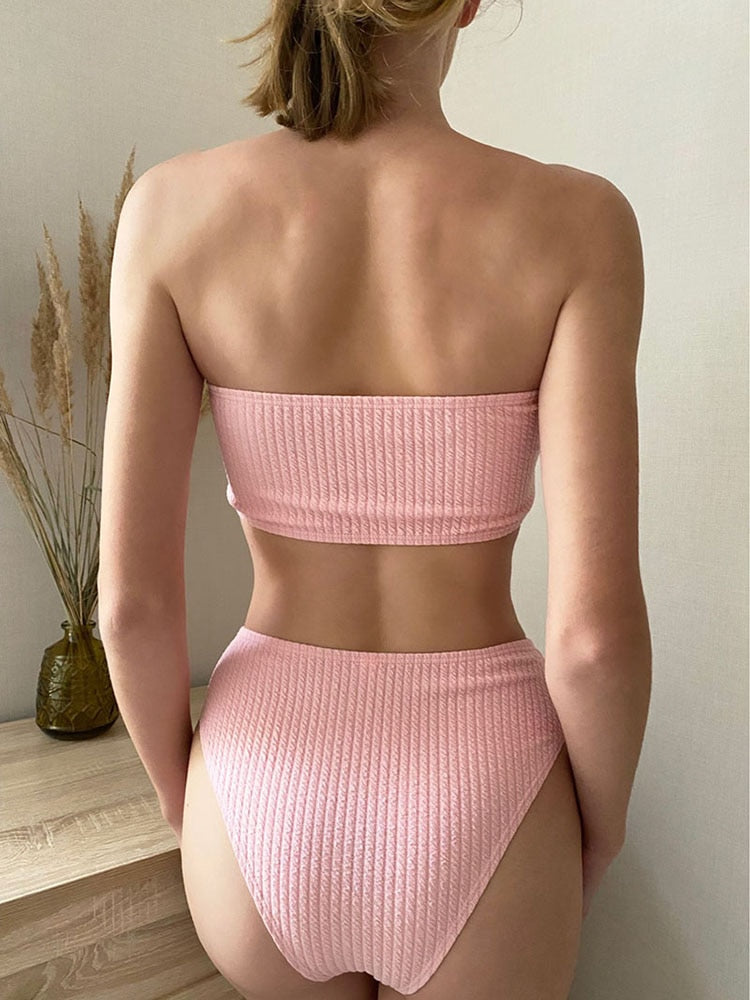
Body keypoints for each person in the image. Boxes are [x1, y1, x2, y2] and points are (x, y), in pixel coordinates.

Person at [97, 0, 653, 996]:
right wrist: (596, 832)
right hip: (486, 787)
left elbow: (131, 608)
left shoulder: (170, 212)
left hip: (262, 789)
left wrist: (194, 805)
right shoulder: (580, 224)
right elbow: (594, 642)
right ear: (467, 4)